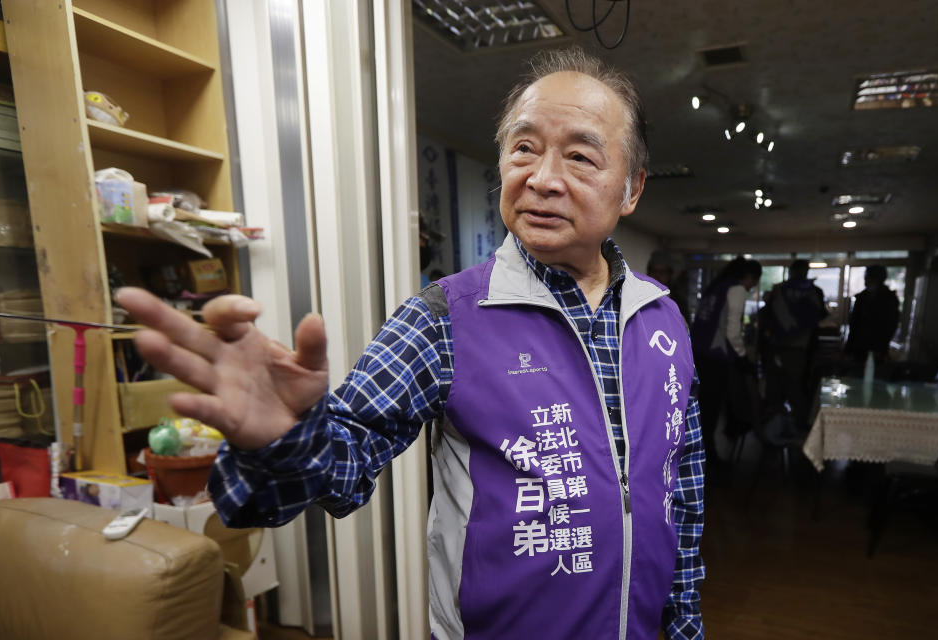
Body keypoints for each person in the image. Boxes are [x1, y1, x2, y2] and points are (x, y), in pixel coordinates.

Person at [117, 47, 704, 639]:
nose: (543, 179)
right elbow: (341, 461)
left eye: (580, 157)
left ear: (631, 190)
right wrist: (282, 442)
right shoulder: (445, 319)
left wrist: (684, 625)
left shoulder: (662, 320)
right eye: (524, 148)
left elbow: (681, 490)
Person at [690, 257, 762, 465]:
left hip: (699, 355)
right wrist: (742, 356)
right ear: (749, 277)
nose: (753, 286)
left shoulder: (716, 287)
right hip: (715, 358)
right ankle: (707, 457)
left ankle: (699, 455)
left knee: (701, 409)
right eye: (754, 281)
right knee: (711, 411)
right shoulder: (736, 289)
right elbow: (732, 330)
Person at [762, 260, 828, 427]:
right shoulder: (814, 291)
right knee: (796, 387)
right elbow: (820, 316)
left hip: (776, 344)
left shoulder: (779, 289)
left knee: (775, 386)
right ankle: (800, 428)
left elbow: (766, 315)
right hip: (800, 347)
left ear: (791, 272)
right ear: (806, 272)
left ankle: (775, 425)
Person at [845, 264, 900, 365]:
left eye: (866, 276)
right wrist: (849, 349)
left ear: (875, 278)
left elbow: (890, 325)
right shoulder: (862, 297)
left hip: (877, 348)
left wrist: (881, 347)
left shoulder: (888, 298)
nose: (864, 279)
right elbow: (854, 324)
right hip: (859, 347)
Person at [647, 249, 690, 322]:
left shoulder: (678, 302)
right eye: (654, 271)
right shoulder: (641, 297)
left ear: (670, 274)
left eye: (662, 272)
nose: (657, 275)